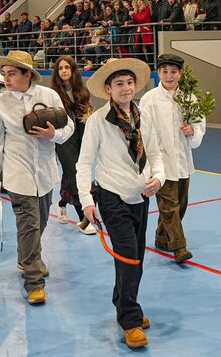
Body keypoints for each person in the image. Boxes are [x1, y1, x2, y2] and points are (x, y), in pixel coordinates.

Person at [76, 58, 165, 349]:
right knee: (128, 256)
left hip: (141, 196)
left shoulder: (144, 116)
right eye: (119, 84)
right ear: (108, 88)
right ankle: (129, 318)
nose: (126, 88)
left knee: (136, 256)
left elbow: (155, 153)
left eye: (129, 83)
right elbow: (84, 162)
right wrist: (87, 201)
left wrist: (159, 177)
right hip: (112, 197)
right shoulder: (98, 121)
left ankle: (122, 300)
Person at [0, 51, 74, 305]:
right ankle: (34, 281)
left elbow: (69, 127)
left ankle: (27, 257)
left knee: (41, 222)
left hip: (46, 175)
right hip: (18, 177)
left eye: (12, 74)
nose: (6, 79)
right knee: (29, 226)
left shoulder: (49, 96)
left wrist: (52, 135)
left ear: (27, 74)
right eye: (4, 74)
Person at [140, 54, 206, 264]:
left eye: (173, 72)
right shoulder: (149, 99)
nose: (169, 76)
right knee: (169, 206)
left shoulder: (189, 98)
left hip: (183, 161)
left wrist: (192, 130)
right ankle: (179, 247)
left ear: (181, 73)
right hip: (160, 162)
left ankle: (162, 238)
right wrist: (147, 163)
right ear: (158, 73)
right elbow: (144, 132)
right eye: (165, 71)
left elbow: (199, 126)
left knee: (181, 205)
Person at [50, 55, 98, 235]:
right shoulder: (53, 94)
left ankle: (62, 204)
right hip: (64, 139)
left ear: (72, 70)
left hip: (81, 136)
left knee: (72, 175)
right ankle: (84, 221)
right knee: (74, 172)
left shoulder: (82, 91)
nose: (63, 71)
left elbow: (88, 114)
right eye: (60, 68)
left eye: (67, 68)